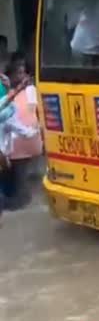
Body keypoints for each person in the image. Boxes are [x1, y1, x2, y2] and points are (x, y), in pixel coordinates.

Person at [6, 57, 43, 208]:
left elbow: (34, 114)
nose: (21, 77)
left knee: (20, 174)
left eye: (23, 73)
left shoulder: (30, 91)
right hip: (17, 141)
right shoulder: (8, 94)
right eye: (18, 73)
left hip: (23, 141)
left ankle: (20, 199)